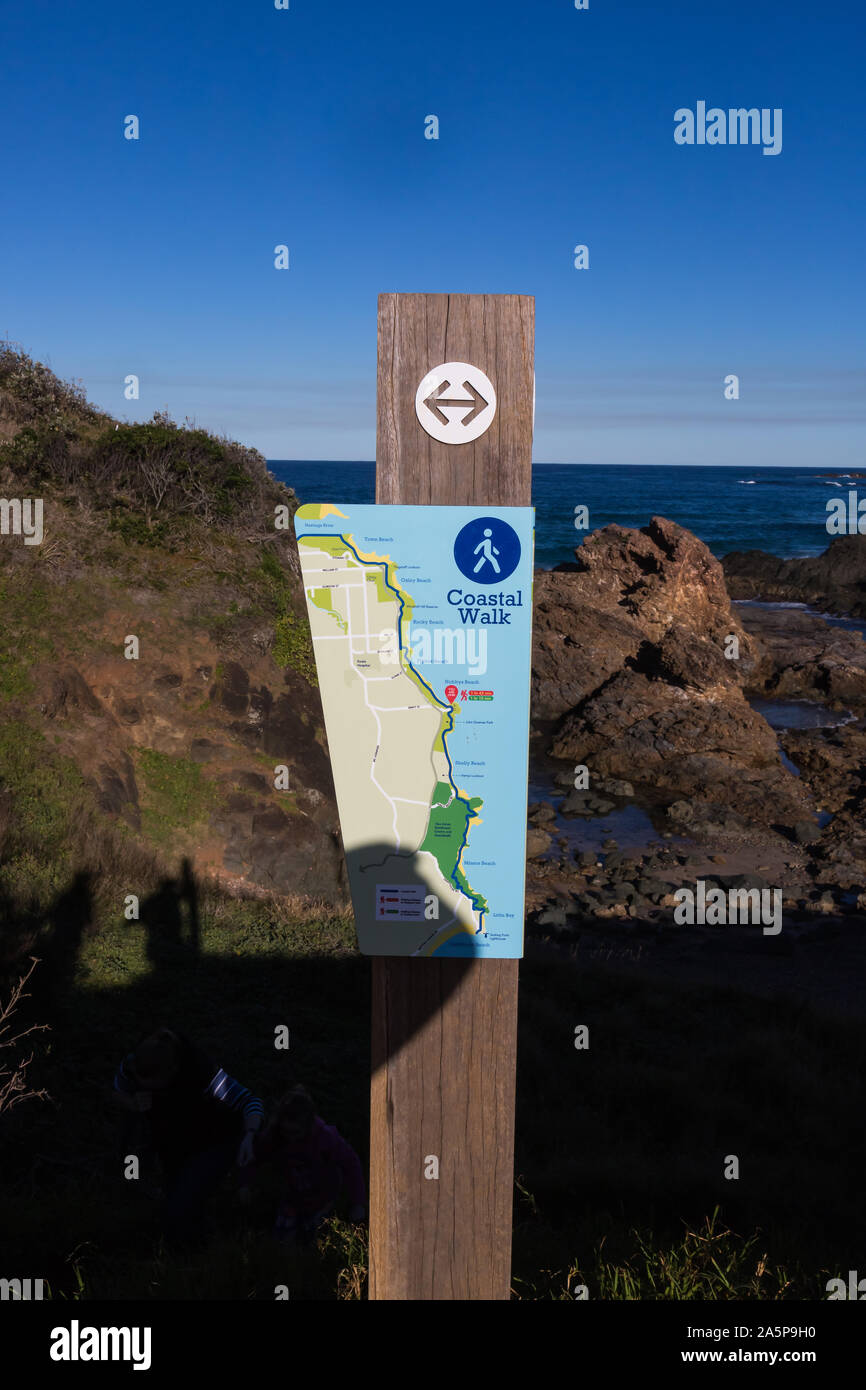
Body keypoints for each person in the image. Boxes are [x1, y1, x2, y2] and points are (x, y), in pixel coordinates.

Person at [112, 1027, 263, 1246]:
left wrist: (249, 1136)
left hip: (216, 1139)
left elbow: (251, 1102)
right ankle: (194, 1242)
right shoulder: (135, 1063)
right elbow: (117, 1091)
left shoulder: (203, 1072)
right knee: (177, 1201)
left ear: (172, 1071)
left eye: (156, 1085)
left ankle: (196, 1256)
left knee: (182, 1204)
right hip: (173, 1139)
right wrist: (132, 1102)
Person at [243, 1084, 365, 1244]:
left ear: (307, 1126)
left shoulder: (326, 1138)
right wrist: (244, 1184)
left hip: (323, 1197)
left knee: (315, 1240)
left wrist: (358, 1203)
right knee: (282, 1241)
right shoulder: (274, 1136)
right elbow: (254, 1157)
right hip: (293, 1196)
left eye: (295, 1133)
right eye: (286, 1132)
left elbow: (351, 1164)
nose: (290, 1138)